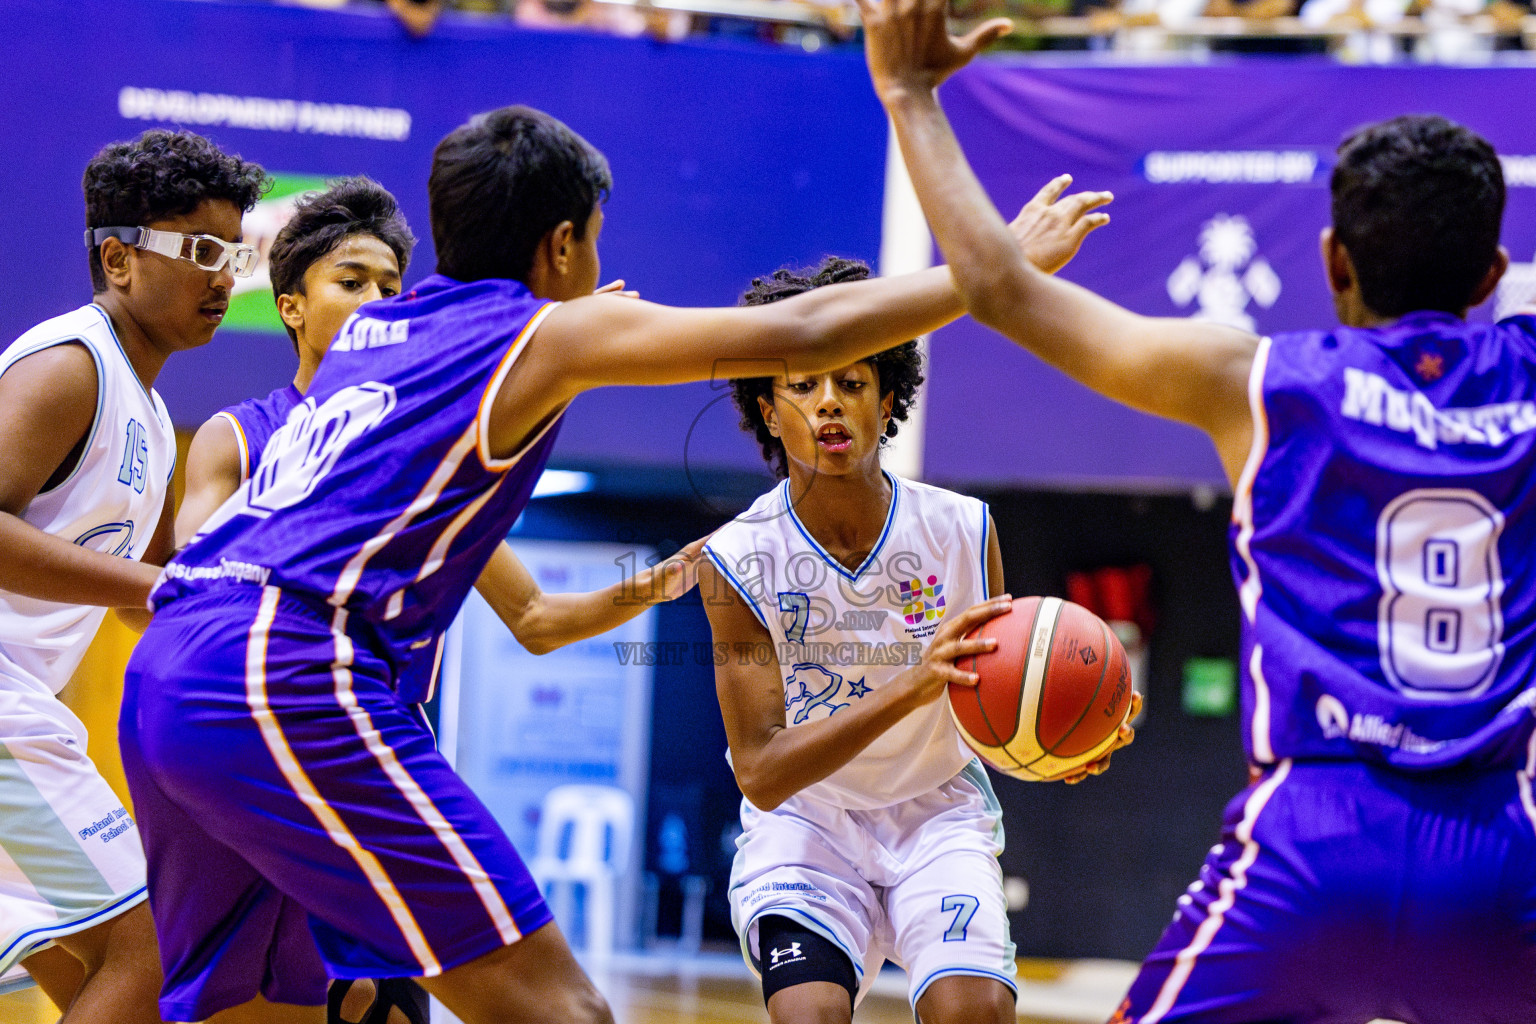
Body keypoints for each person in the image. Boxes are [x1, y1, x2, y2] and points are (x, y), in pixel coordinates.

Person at [115, 104, 1112, 1024]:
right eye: (591, 239)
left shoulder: (379, 330)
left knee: (234, 1003)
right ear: (563, 245)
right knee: (568, 1012)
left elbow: (528, 592)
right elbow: (800, 328)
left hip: (167, 665)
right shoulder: (546, 329)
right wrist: (995, 272)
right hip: (280, 669)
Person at [857, 4, 1536, 1019]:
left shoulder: (1257, 380)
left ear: (1332, 262)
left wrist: (910, 94)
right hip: (1497, 852)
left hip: (1310, 839)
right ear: (1493, 275)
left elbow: (999, 290)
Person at [175, 175, 709, 1024]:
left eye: (391, 287)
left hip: (371, 730)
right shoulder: (239, 433)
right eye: (352, 283)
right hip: (268, 716)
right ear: (289, 308)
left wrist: (649, 586)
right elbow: (183, 570)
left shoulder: (426, 441)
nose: (377, 301)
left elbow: (535, 619)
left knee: (392, 1006)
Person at [699, 253, 1137, 1024]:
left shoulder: (963, 530)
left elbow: (994, 697)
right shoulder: (736, 560)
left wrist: (1053, 744)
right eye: (803, 385)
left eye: (853, 383)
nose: (828, 403)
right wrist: (913, 682)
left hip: (936, 814)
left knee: (973, 1014)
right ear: (769, 410)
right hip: (806, 824)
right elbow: (762, 773)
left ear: (886, 400)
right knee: (810, 1016)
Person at [0, 128, 267, 1022]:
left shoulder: (148, 409)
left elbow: (149, 585)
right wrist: (160, 589)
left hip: (26, 706)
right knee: (147, 947)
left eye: (234, 253)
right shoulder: (70, 365)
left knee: (96, 975)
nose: (224, 276)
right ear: (118, 258)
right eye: (199, 250)